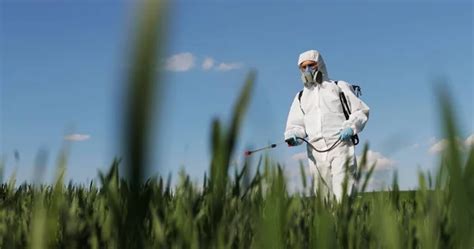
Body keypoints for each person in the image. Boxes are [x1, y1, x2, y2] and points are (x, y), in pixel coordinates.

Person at [284, 49, 370, 201]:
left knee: (343, 190)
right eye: (303, 67)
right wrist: (294, 135)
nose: (307, 70)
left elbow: (360, 110)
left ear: (320, 65)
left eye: (311, 65)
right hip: (315, 151)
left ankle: (346, 222)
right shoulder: (301, 97)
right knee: (323, 195)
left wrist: (351, 126)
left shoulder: (338, 87)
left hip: (340, 145)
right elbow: (296, 124)